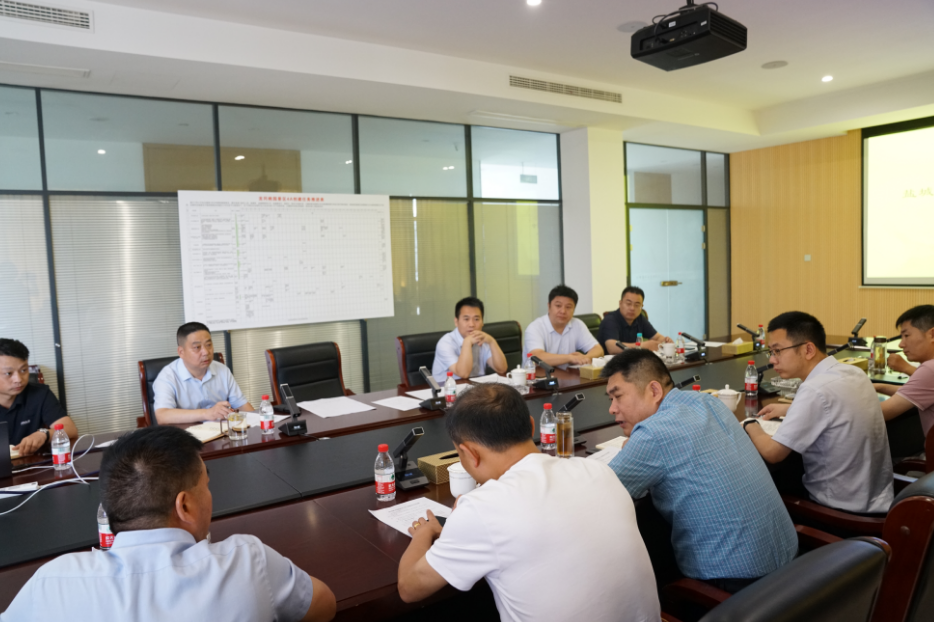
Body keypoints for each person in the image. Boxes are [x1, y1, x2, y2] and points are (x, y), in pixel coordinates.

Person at [0, 425, 336, 621]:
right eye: (206, 485)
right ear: (185, 505)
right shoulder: (247, 561)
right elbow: (323, 605)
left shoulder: (53, 582)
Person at [396, 384, 660, 622]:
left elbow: (409, 588)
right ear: (532, 427)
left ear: (469, 453)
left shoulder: (482, 509)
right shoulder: (597, 471)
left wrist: (424, 533)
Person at [602, 349, 797, 592]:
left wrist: (634, 448)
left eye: (618, 396)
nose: (612, 409)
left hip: (734, 586)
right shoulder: (708, 401)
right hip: (790, 561)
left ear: (654, 391)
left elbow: (600, 494)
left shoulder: (653, 433)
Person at [745, 311, 894, 514]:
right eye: (770, 352)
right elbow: (837, 408)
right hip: (879, 502)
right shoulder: (854, 372)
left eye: (777, 351)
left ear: (808, 350)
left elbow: (773, 453)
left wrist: (750, 424)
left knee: (764, 500)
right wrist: (791, 408)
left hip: (839, 513)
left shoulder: (815, 389)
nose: (772, 360)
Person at [153, 322, 254, 424]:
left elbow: (241, 405)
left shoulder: (222, 370)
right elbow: (162, 416)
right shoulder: (167, 377)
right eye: (197, 347)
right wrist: (207, 413)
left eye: (208, 345)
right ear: (181, 352)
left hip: (222, 431)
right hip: (187, 432)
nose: (206, 352)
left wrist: (258, 422)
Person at [0, 338, 77, 456]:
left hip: (32, 462)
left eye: (23, 370)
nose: (18, 379)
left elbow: (70, 429)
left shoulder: (40, 393)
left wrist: (44, 434)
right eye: (8, 373)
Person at [874, 305, 934, 435]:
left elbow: (881, 413)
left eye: (906, 335)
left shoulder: (929, 369)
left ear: (932, 334)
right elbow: (917, 391)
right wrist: (880, 386)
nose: (901, 344)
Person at [523, 285, 603, 369]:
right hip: (538, 376)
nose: (563, 311)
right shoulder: (535, 327)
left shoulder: (577, 324)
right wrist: (570, 358)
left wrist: (585, 357)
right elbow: (537, 356)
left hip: (568, 375)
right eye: (558, 306)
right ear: (549, 306)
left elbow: (598, 350)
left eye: (568, 307)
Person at [432, 297, 508, 383]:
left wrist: (492, 341)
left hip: (475, 387)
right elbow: (463, 374)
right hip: (448, 389)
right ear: (456, 322)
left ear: (482, 322)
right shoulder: (445, 343)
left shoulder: (482, 339)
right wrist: (467, 342)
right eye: (466, 319)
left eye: (476, 319)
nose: (471, 324)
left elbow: (502, 369)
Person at [599, 286, 672, 353]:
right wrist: (642, 346)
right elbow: (612, 347)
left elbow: (657, 337)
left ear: (641, 307)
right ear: (620, 303)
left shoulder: (639, 318)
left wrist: (665, 341)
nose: (632, 308)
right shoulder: (610, 320)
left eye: (637, 305)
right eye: (628, 304)